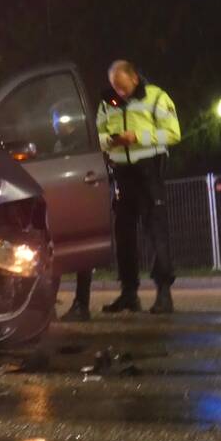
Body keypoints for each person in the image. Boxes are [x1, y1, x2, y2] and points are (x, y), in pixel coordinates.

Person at [97, 60, 181, 314]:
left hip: (149, 171)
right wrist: (109, 141)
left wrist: (137, 138)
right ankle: (129, 293)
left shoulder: (157, 97)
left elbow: (173, 134)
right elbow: (97, 134)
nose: (119, 93)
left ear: (134, 78)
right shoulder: (106, 103)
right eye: (115, 87)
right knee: (123, 234)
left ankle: (164, 293)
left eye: (123, 87)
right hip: (122, 173)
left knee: (157, 231)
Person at [49, 99, 95, 322]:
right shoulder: (58, 146)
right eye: (53, 121)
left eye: (59, 120)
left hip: (79, 202)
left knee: (81, 256)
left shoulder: (80, 143)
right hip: (63, 203)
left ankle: (81, 304)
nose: (55, 125)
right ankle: (49, 303)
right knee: (55, 252)